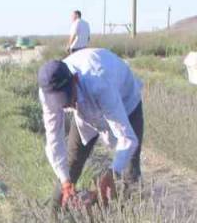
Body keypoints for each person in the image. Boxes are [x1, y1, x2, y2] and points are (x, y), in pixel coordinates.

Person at [37, 49, 144, 208]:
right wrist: (66, 182)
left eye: (67, 99)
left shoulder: (99, 83)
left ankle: (130, 216)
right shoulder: (47, 93)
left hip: (126, 102)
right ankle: (55, 218)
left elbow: (127, 138)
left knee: (128, 171)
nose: (65, 105)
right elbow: (54, 142)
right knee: (71, 164)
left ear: (75, 79)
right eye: (60, 102)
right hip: (86, 110)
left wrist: (112, 173)